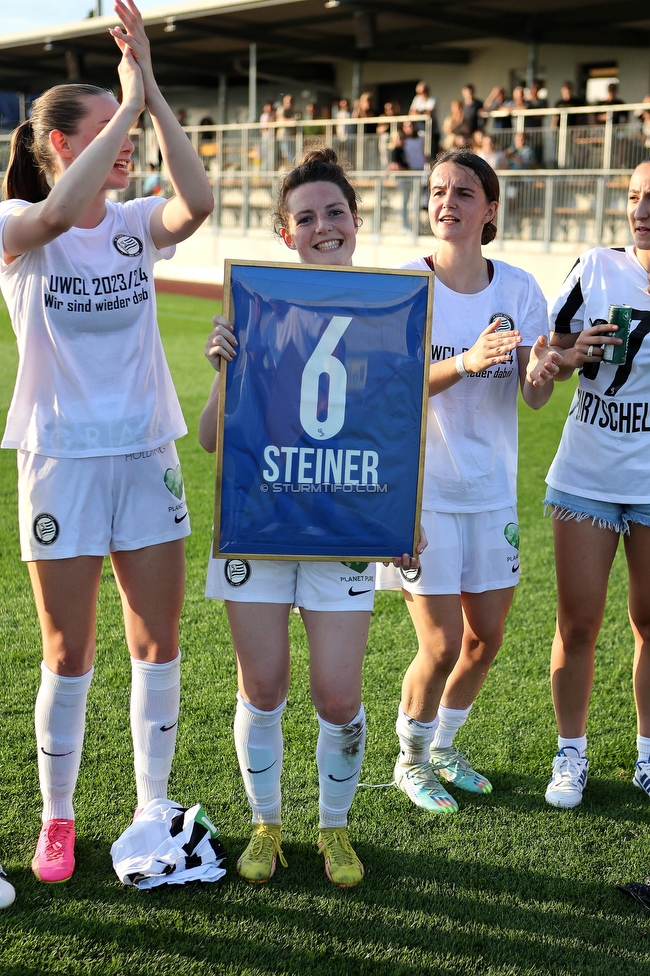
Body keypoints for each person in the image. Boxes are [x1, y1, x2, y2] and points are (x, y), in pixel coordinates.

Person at [0, 0, 213, 884]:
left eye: (124, 135)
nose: (124, 149)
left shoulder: (133, 223)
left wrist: (150, 93)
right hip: (61, 461)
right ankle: (58, 818)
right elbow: (52, 221)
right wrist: (126, 104)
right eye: (106, 134)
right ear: (60, 145)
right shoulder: (16, 224)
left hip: (145, 453)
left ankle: (152, 800)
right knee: (68, 650)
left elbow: (197, 202)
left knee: (156, 642)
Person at [199, 148, 424, 886]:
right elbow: (210, 440)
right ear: (284, 233)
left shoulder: (388, 312)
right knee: (262, 685)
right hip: (260, 527)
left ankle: (333, 828)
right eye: (306, 217)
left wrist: (403, 517)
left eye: (334, 211)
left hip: (343, 532)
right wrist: (222, 373)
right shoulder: (255, 312)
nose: (323, 225)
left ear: (355, 220)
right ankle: (267, 823)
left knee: (337, 692)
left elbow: (394, 431)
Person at [376, 148, 561, 813]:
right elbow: (389, 388)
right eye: (436, 190)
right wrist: (465, 361)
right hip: (424, 494)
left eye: (461, 192)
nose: (445, 201)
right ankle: (410, 760)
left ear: (489, 209)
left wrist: (542, 371)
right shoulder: (405, 281)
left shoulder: (517, 289)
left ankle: (445, 746)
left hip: (492, 493)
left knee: (486, 640)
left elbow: (535, 394)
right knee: (441, 642)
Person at [542, 159, 650, 808]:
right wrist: (569, 354)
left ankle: (647, 755)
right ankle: (570, 754)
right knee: (578, 623)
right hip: (585, 472)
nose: (640, 210)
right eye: (635, 197)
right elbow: (547, 360)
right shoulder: (595, 267)